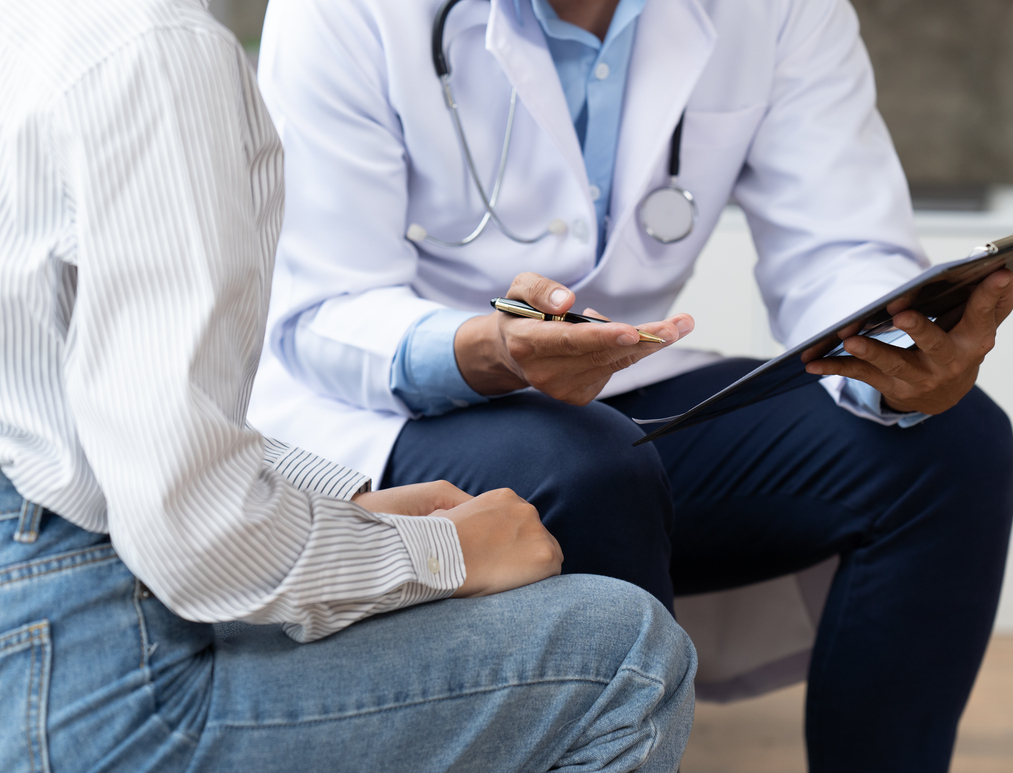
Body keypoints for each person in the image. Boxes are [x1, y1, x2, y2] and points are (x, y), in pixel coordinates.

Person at [250, 0, 1013, 769]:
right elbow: (322, 308)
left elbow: (838, 245)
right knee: (586, 469)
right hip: (374, 403)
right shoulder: (344, 11)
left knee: (953, 444)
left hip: (615, 381)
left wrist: (902, 350)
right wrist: (493, 348)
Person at [0, 1, 697, 771]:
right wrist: (441, 552)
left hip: (51, 575)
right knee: (622, 653)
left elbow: (94, 416)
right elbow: (193, 536)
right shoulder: (158, 49)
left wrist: (344, 504)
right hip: (72, 667)